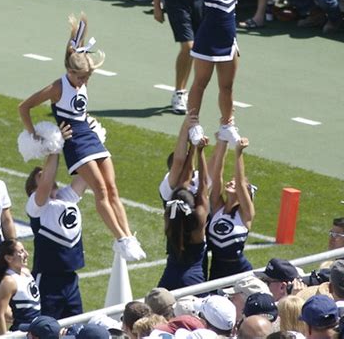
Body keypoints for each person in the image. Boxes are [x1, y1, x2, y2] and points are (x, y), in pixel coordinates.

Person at [19, 15, 145, 262]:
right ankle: (119, 239)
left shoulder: (79, 76)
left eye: (87, 78)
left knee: (112, 188)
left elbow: (73, 49)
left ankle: (129, 237)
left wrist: (79, 31)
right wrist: (35, 136)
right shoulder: (58, 86)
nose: (84, 82)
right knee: (99, 189)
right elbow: (24, 107)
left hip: (91, 136)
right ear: (69, 71)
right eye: (80, 77)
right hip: (75, 143)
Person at [179, 0, 264, 143]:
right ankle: (193, 124)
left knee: (227, 86)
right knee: (200, 83)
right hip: (208, 39)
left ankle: (227, 125)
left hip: (228, 40)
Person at [24, 135, 86, 319]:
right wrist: (55, 148)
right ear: (32, 190)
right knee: (46, 329)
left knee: (76, 325)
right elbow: (45, 186)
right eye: (41, 177)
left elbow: (85, 177)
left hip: (71, 279)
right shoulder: (35, 206)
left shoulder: (64, 198)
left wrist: (86, 145)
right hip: (48, 280)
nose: (48, 177)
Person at [150, 0, 210, 114]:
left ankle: (193, 90)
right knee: (188, 47)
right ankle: (179, 92)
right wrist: (157, 7)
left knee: (200, 49)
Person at [157, 121, 209, 290]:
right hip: (193, 276)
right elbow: (202, 186)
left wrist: (195, 150)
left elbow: (185, 182)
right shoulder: (198, 220)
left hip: (170, 273)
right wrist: (199, 151)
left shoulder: (171, 218)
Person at [206, 135, 255, 280]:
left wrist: (238, 152)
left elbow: (240, 183)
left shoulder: (246, 214)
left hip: (239, 272)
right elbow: (217, 175)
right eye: (230, 181)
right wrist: (223, 141)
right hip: (216, 269)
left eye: (235, 183)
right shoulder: (217, 207)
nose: (231, 183)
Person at [0, 239, 40, 335]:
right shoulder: (9, 281)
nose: (26, 254)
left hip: (36, 330)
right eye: (21, 251)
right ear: (8, 258)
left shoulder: (26, 272)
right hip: (23, 333)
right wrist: (4, 337)